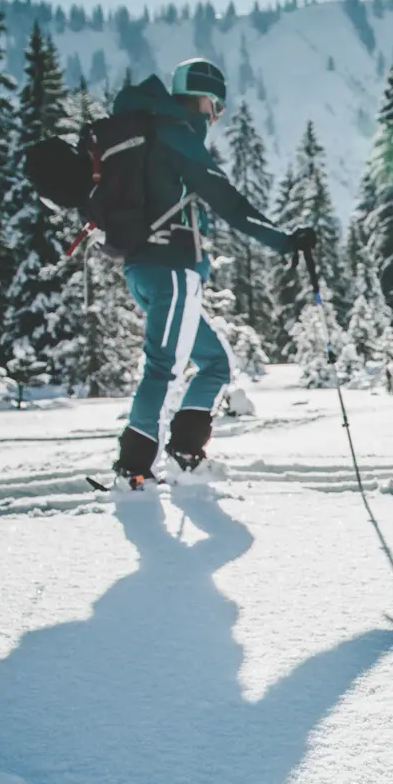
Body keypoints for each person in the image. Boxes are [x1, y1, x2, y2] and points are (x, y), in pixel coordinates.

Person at [110, 58, 318, 487]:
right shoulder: (176, 135)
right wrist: (284, 241)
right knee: (162, 368)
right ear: (203, 99)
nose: (216, 117)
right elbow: (229, 203)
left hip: (143, 269)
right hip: (170, 269)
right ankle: (134, 470)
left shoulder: (150, 133)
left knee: (215, 362)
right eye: (217, 107)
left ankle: (186, 452)